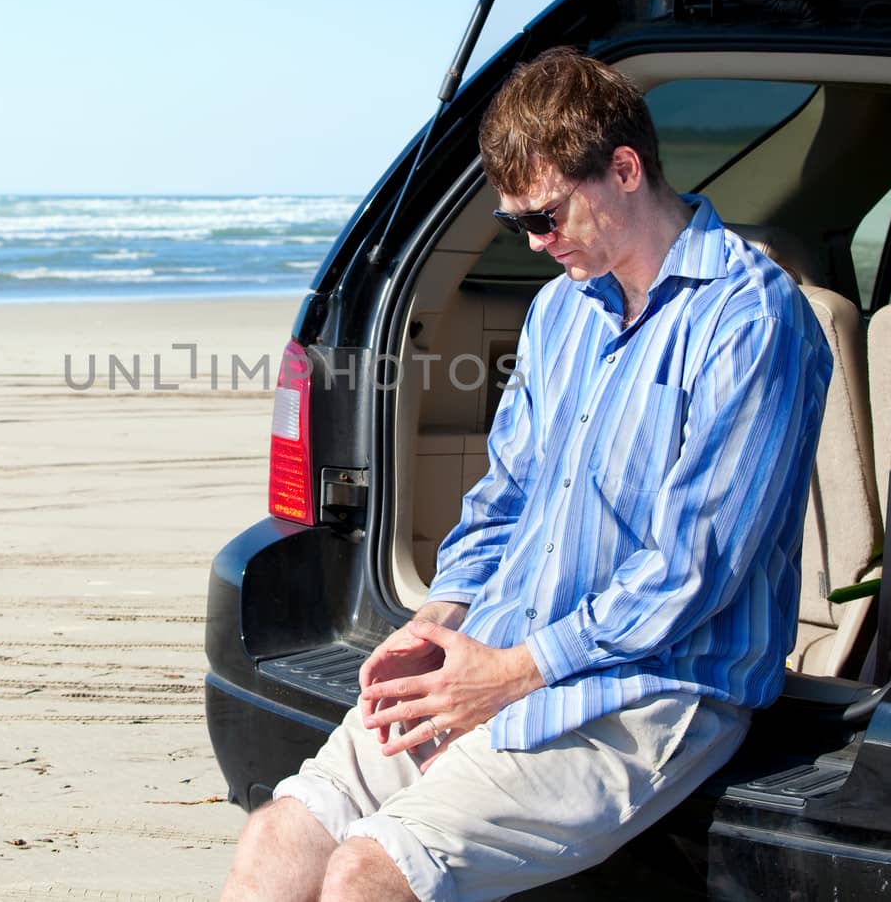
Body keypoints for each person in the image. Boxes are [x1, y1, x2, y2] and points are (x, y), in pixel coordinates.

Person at [220, 47, 833, 902]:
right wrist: (438, 619)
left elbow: (691, 574)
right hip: (503, 653)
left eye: (545, 217)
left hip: (648, 690)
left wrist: (508, 673)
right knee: (275, 840)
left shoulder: (751, 319)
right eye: (517, 226)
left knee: (368, 871)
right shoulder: (560, 312)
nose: (537, 245)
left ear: (624, 170)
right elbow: (502, 498)